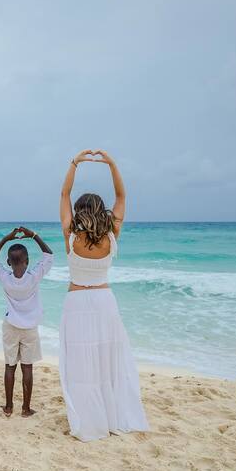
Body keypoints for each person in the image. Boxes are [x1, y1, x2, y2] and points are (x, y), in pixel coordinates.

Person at [59, 149, 149, 441]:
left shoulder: (71, 235)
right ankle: (110, 415)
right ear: (101, 211)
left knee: (81, 363)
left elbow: (64, 193)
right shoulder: (112, 235)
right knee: (106, 359)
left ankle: (89, 418)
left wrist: (75, 162)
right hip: (104, 301)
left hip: (76, 301)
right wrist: (111, 164)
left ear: (79, 211)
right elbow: (121, 196)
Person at [0, 226, 53, 417]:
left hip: (10, 326)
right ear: (27, 261)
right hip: (30, 328)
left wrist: (6, 239)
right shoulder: (34, 277)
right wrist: (33, 235)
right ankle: (25, 408)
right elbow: (48, 255)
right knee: (27, 367)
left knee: (10, 366)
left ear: (8, 262)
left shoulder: (5, 277)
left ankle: (9, 407)